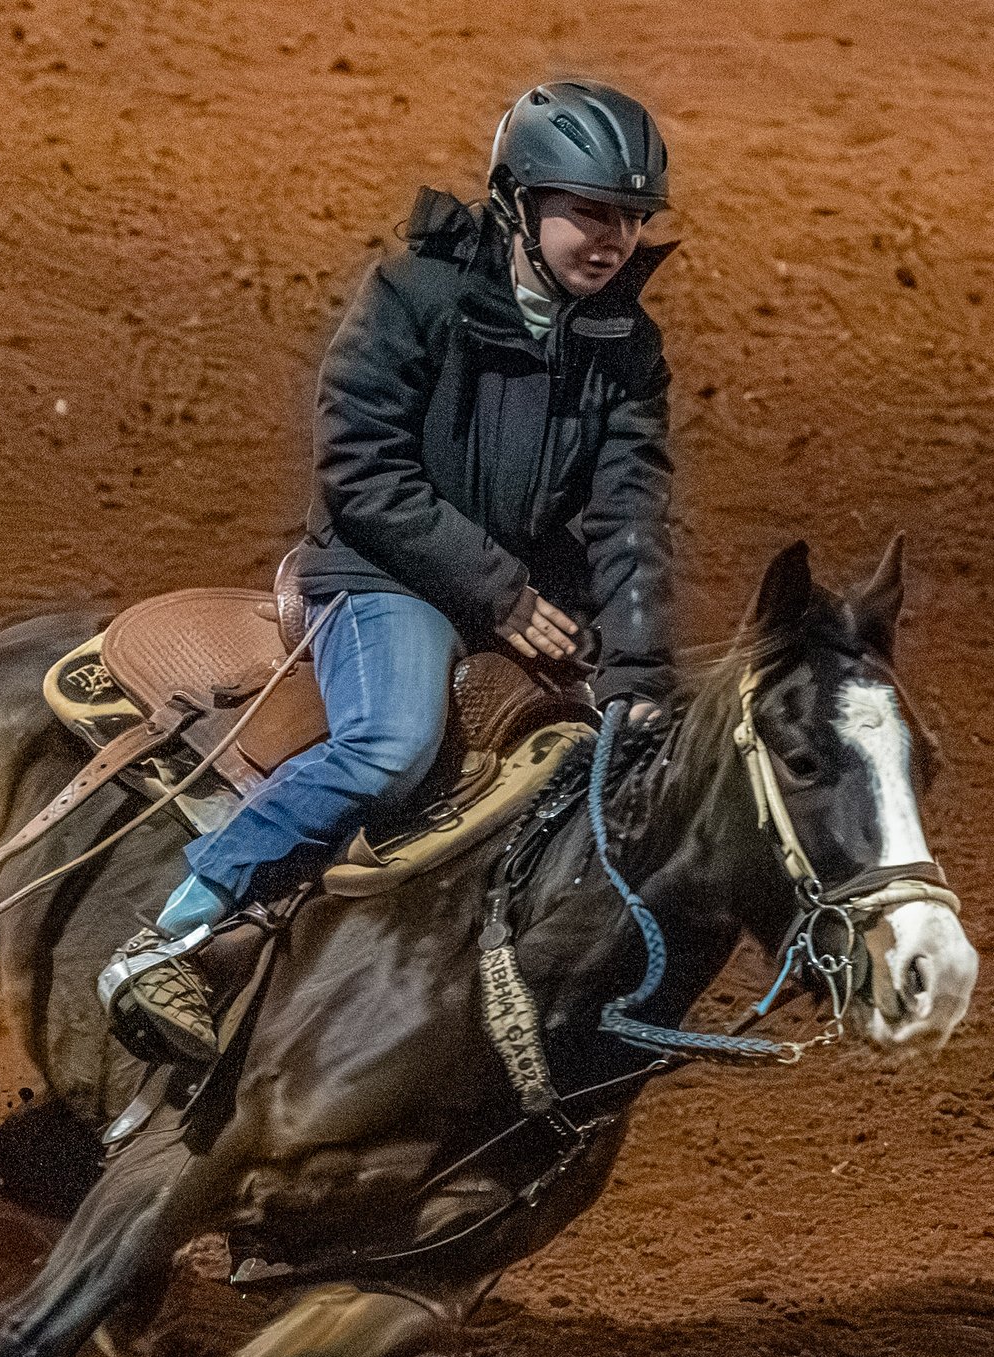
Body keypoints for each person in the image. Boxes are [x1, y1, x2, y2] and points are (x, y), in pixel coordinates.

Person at [101, 79, 679, 1061]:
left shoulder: (627, 348)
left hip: (527, 593)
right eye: (588, 210)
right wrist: (496, 590)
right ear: (518, 201)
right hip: (385, 575)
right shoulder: (413, 301)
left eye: (628, 217)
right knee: (390, 745)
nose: (611, 237)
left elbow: (630, 517)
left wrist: (637, 672)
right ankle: (170, 939)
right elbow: (362, 470)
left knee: (627, 759)